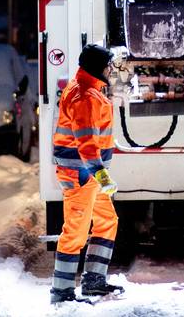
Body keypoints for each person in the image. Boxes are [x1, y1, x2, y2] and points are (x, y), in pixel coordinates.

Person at [50, 44, 124, 304]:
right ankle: (61, 294)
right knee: (76, 232)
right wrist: (101, 175)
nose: (110, 70)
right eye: (107, 66)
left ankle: (94, 282)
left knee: (107, 221)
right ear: (96, 67)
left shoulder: (85, 89)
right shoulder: (86, 97)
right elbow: (86, 143)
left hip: (88, 175)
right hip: (82, 175)